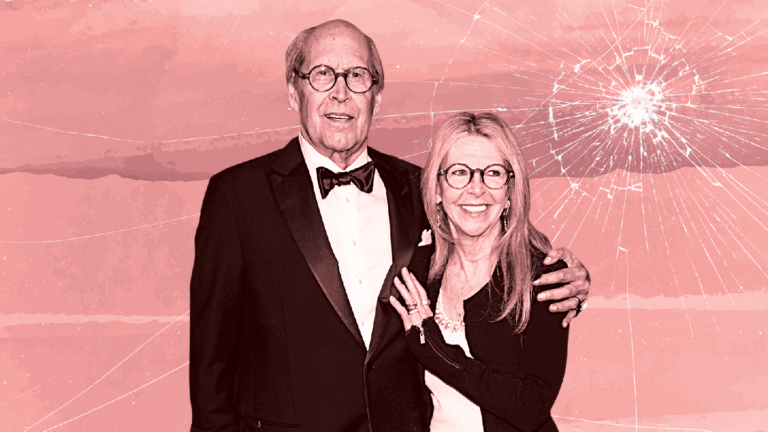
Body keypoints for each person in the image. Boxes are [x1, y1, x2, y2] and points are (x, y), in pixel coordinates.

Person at [189, 20, 589, 432]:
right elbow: (210, 358)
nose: (341, 92)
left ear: (376, 97)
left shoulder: (421, 188)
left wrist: (574, 279)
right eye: (323, 74)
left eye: (357, 76)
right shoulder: (237, 196)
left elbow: (496, 232)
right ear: (294, 91)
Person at [391, 112, 572, 431]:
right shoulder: (417, 269)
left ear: (510, 192)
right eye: (459, 173)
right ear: (437, 190)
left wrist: (434, 348)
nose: (476, 189)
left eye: (493, 173)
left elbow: (530, 407)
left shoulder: (544, 277)